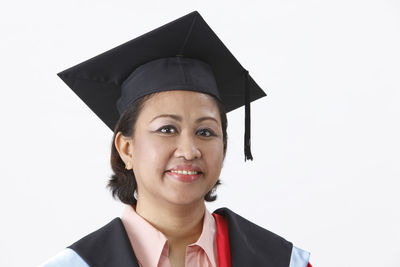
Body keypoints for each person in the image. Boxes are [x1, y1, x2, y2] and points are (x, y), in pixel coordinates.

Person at [41, 11, 312, 267]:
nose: (189, 150)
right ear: (126, 148)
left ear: (224, 146)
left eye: (205, 132)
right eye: (167, 129)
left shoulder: (278, 261)